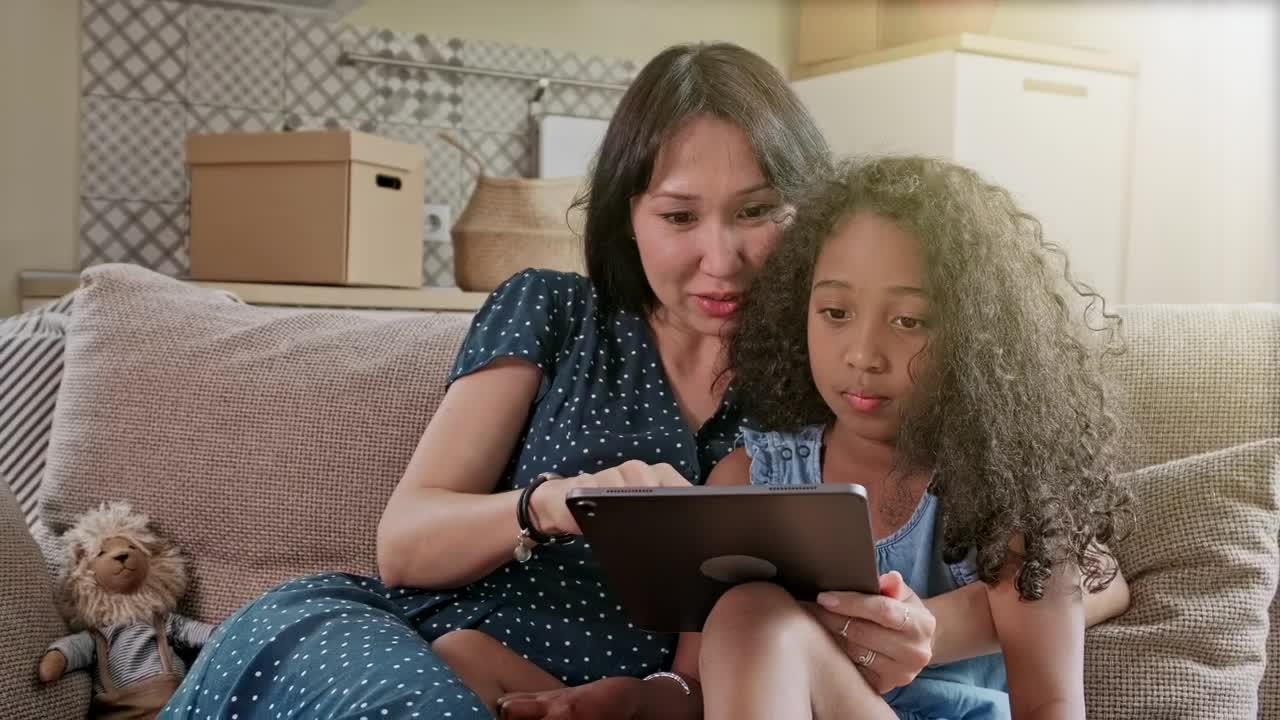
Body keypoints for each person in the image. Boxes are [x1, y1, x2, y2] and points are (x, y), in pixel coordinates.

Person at [162, 44, 1124, 720]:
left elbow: (1077, 574)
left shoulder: (832, 372)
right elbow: (405, 546)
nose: (722, 258)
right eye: (678, 216)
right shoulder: (555, 311)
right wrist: (557, 504)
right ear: (628, 216)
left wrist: (918, 629)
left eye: (757, 211)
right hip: (444, 645)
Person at [682, 156, 1132, 719]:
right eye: (835, 311)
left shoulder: (1011, 497)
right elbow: (697, 686)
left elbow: (1051, 704)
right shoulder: (747, 480)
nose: (864, 355)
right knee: (748, 612)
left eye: (909, 322)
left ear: (977, 334)